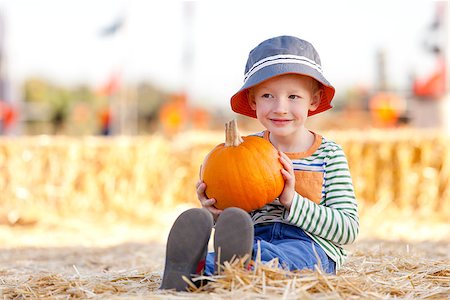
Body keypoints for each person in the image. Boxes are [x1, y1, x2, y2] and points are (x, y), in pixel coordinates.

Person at [160, 35, 359, 291]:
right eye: (267, 95)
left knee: (284, 259)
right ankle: (189, 272)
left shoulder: (329, 155)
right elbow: (237, 218)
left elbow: (348, 229)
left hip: (310, 244)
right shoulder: (241, 150)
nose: (280, 108)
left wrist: (292, 201)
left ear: (314, 100)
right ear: (253, 102)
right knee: (239, 254)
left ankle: (234, 270)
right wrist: (217, 211)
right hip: (254, 238)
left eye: (294, 97)